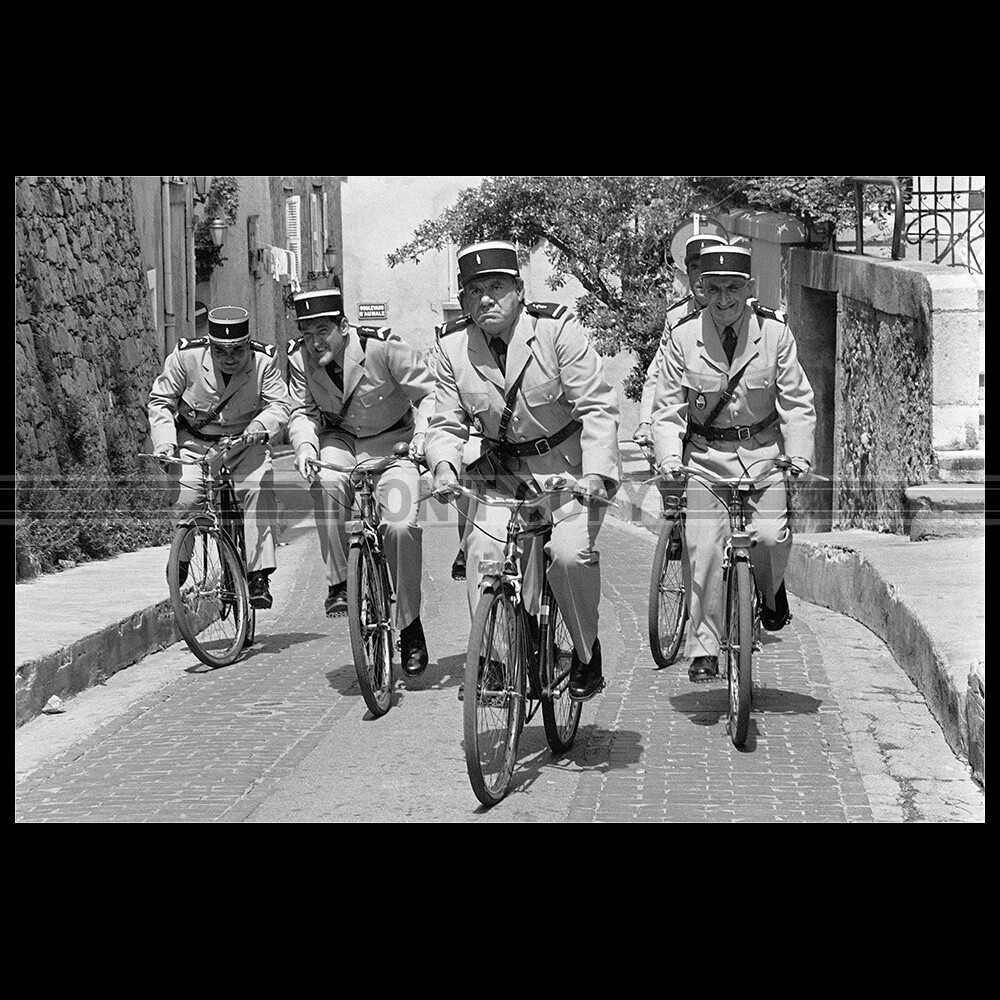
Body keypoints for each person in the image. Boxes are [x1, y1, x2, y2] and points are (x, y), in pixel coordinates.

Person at [427, 241, 621, 702]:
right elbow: (445, 423)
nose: (486, 299)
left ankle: (585, 650)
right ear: (463, 299)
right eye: (474, 291)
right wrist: (444, 467)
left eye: (497, 287)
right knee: (481, 550)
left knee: (568, 557)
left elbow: (596, 406)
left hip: (569, 472)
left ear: (519, 290)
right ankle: (496, 661)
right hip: (505, 476)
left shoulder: (557, 331)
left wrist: (596, 474)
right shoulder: (452, 347)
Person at [650, 244, 816, 682]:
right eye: (715, 289)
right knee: (703, 548)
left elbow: (797, 402)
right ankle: (704, 648)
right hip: (705, 459)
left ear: (749, 288)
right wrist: (669, 457)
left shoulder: (774, 333)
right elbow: (667, 409)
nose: (724, 299)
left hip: (762, 455)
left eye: (733, 288)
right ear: (701, 289)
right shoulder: (684, 336)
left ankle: (770, 590)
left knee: (770, 536)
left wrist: (798, 454)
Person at [286, 286, 436, 675]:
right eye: (307, 334)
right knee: (327, 480)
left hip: (393, 445)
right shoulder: (300, 359)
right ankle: (339, 582)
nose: (314, 342)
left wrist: (422, 438)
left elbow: (429, 395)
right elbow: (301, 411)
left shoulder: (382, 347)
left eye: (322, 331)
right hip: (341, 443)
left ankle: (410, 624)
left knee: (400, 526)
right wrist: (305, 447)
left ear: (343, 326)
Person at [148, 306, 293, 609]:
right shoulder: (186, 357)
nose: (229, 358)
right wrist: (165, 443)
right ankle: (182, 555)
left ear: (247, 344)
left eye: (237, 350)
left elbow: (280, 404)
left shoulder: (263, 361)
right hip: (196, 443)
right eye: (221, 351)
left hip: (244, 443)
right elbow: (161, 400)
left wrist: (261, 425)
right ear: (210, 345)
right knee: (186, 498)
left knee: (259, 489)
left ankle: (258, 575)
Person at [632, 233, 727, 462]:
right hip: (684, 428)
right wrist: (646, 422)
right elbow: (658, 372)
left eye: (707, 268)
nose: (700, 278)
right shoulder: (677, 316)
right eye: (694, 268)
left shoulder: (744, 316)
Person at [433, 314, 485, 582]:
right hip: (469, 433)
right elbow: (442, 407)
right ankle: (465, 546)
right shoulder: (451, 347)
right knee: (468, 471)